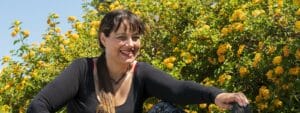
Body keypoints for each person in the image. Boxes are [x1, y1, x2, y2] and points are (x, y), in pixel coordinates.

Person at [27, 9, 249, 113]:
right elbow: (39, 105)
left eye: (135, 37)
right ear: (103, 39)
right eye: (122, 38)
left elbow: (177, 89)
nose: (130, 44)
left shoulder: (140, 73)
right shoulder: (82, 70)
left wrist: (216, 95)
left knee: (167, 110)